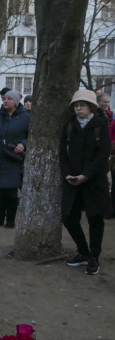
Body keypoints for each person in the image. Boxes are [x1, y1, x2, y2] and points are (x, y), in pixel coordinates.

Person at [60, 90, 111, 275]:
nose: (79, 108)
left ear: (91, 107)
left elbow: (103, 154)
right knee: (68, 217)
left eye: (82, 105)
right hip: (72, 181)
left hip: (94, 181)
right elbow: (62, 154)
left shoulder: (101, 124)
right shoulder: (69, 125)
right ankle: (83, 252)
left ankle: (94, 257)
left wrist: (86, 175)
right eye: (76, 105)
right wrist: (67, 175)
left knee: (95, 218)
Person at [0, 89, 30, 229]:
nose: (5, 101)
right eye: (4, 98)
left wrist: (23, 144)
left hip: (13, 160)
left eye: (9, 99)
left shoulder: (25, 117)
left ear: (15, 101)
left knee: (11, 191)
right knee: (0, 190)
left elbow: (32, 135)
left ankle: (10, 220)